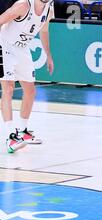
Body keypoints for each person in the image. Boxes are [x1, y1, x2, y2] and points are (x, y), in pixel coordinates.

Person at [0, 0, 54, 153]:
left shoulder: (49, 8)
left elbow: (44, 31)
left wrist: (48, 55)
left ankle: (22, 132)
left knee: (30, 91)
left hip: (22, 49)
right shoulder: (23, 5)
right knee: (8, 89)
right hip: (4, 45)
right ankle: (10, 137)